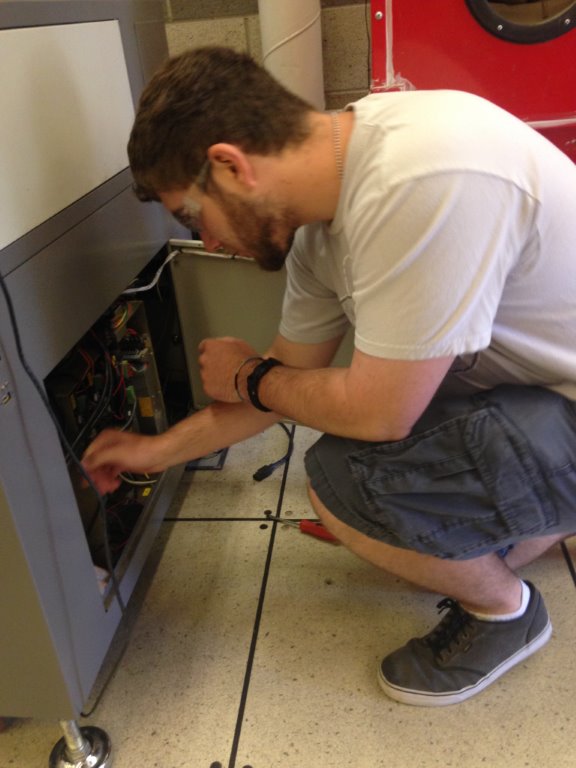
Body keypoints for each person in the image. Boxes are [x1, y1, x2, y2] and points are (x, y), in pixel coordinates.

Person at [82, 46, 576, 707]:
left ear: (230, 166)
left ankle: (509, 616)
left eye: (192, 218)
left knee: (344, 485)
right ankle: (533, 520)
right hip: (540, 392)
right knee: (393, 508)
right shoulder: (320, 232)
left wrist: (252, 376)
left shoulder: (419, 177)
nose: (210, 244)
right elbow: (283, 384)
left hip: (557, 403)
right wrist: (151, 452)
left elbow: (377, 414)